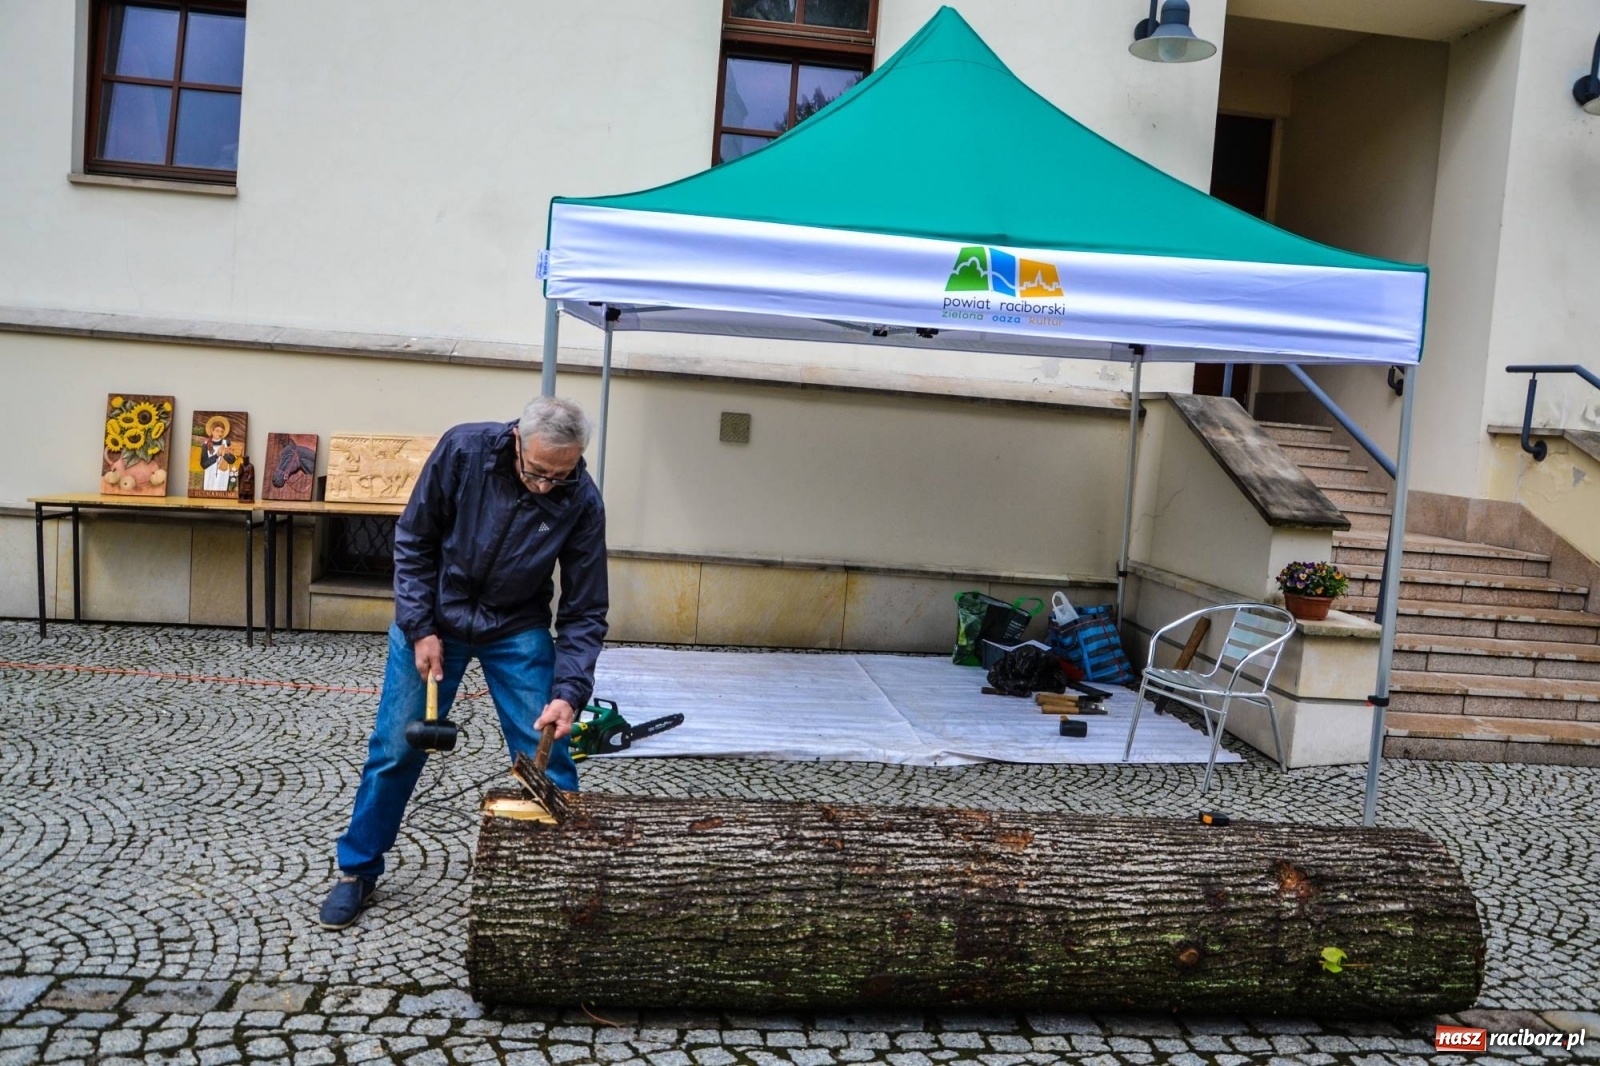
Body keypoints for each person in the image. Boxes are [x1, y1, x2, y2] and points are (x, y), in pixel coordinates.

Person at [317, 395, 608, 929]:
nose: (546, 486)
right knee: (394, 749)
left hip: (516, 627)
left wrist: (569, 693)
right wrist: (419, 628)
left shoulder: (582, 500)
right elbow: (414, 539)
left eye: (560, 475)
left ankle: (562, 879)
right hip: (436, 616)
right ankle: (357, 869)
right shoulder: (465, 450)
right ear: (517, 440)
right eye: (537, 471)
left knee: (548, 755)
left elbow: (585, 609)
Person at [199, 415, 238, 493]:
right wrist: (217, 455)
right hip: (209, 476)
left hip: (223, 475)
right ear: (211, 430)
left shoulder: (226, 443)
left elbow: (232, 460)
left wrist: (224, 454)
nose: (220, 433)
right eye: (217, 431)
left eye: (222, 431)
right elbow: (203, 464)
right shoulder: (206, 445)